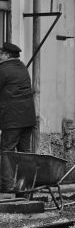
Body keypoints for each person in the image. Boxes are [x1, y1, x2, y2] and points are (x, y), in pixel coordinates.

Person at [0, 42, 36, 193]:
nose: (0, 55)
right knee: (24, 153)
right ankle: (26, 185)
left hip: (12, 119)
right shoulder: (22, 68)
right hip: (27, 118)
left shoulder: (3, 69)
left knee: (7, 151)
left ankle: (7, 185)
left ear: (7, 55)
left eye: (1, 53)